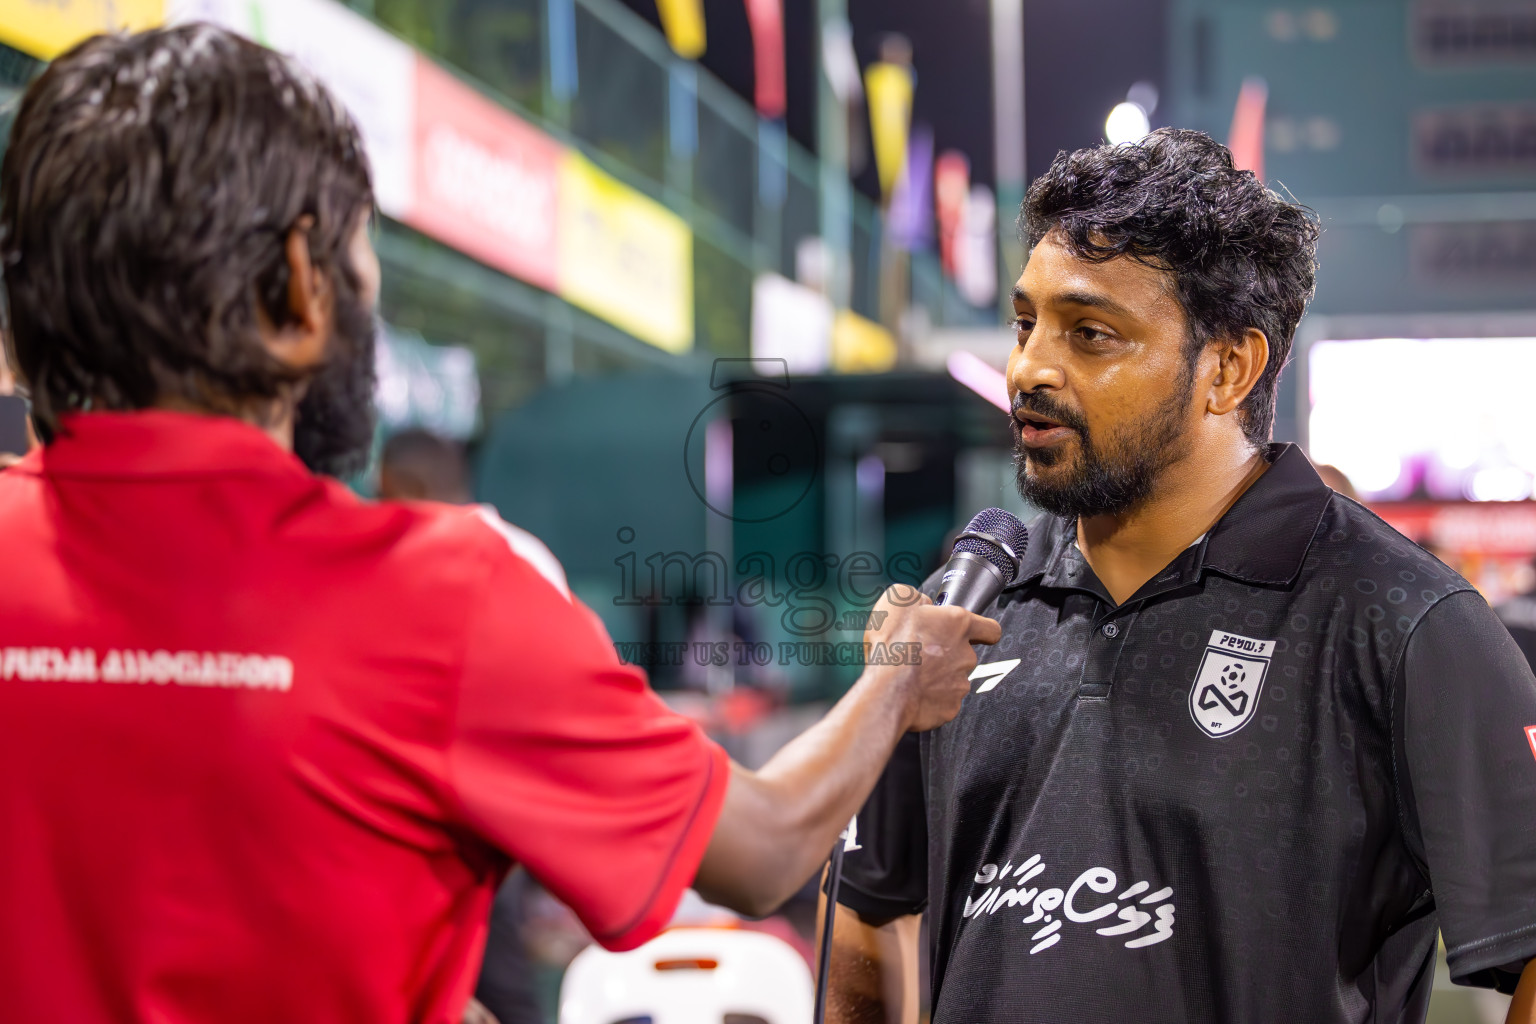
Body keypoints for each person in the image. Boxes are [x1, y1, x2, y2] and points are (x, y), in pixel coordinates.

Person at [0, 25, 1001, 1024]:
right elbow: (767, 844)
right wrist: (901, 675)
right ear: (297, 288)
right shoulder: (437, 598)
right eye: (359, 251)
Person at [826, 129, 1536, 1023]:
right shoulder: (958, 614)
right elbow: (864, 909)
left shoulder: (1403, 619)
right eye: (1025, 323)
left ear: (1227, 369)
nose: (1030, 367)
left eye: (1091, 334)